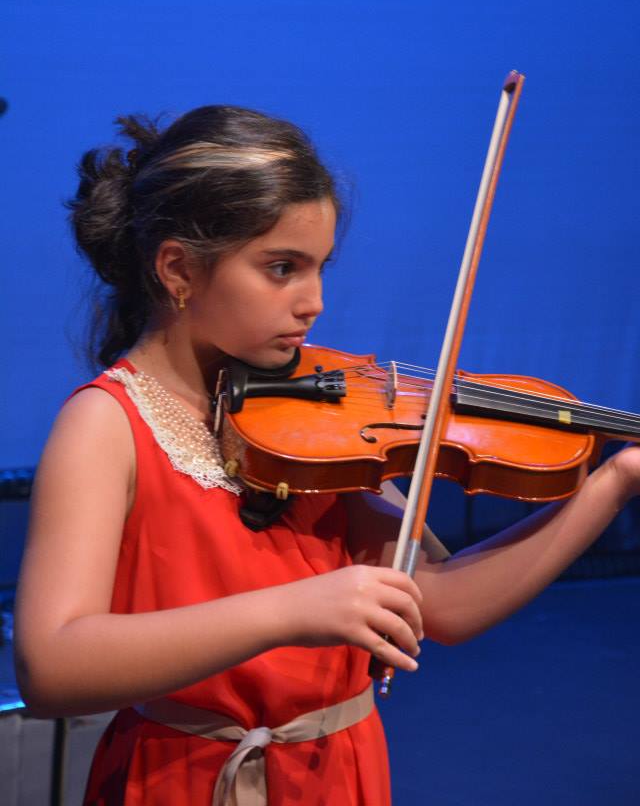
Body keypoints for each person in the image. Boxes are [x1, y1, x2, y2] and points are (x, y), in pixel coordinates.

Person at [13, 105, 640, 806]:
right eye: (281, 268)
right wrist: (293, 609)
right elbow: (52, 665)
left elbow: (442, 604)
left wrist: (614, 480)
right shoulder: (105, 424)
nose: (314, 303)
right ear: (178, 269)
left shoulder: (314, 421)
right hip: (184, 781)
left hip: (336, 776)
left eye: (319, 269)